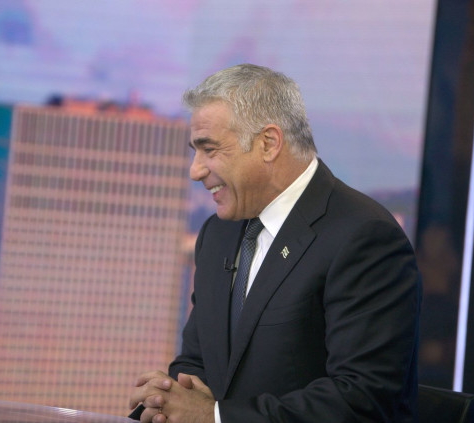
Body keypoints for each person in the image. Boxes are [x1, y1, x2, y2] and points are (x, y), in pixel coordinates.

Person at [128, 64, 421, 423]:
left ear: (268, 143)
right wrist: (166, 400)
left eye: (209, 150)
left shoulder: (364, 237)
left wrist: (213, 416)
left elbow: (361, 400)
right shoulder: (217, 234)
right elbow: (197, 363)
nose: (195, 170)